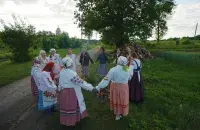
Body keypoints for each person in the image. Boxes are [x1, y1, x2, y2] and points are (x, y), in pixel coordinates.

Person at [58, 57, 97, 126]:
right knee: (73, 106)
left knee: (66, 107)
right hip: (71, 92)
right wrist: (91, 88)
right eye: (71, 62)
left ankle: (66, 120)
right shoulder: (71, 73)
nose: (73, 63)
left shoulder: (62, 71)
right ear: (69, 63)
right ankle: (72, 121)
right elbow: (81, 82)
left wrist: (59, 89)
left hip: (64, 92)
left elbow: (60, 83)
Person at [95, 56, 133, 120]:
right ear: (125, 62)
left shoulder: (113, 70)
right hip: (124, 87)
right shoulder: (127, 68)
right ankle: (121, 112)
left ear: (118, 61)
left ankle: (117, 114)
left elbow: (106, 80)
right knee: (122, 99)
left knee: (116, 99)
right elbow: (130, 77)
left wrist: (98, 86)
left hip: (115, 87)